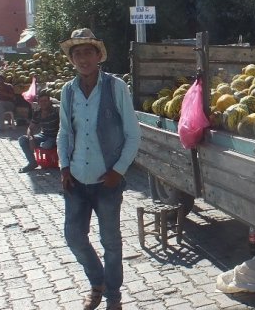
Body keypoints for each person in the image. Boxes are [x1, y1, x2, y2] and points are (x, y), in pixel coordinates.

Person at [57, 28, 141, 310]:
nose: (82, 58)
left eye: (87, 52)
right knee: (74, 236)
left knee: (111, 242)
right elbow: (64, 133)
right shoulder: (67, 91)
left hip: (107, 180)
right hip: (77, 178)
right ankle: (97, 281)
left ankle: (113, 296)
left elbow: (133, 133)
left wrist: (119, 170)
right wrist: (64, 166)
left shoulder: (116, 87)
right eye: (76, 53)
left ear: (98, 56)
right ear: (72, 59)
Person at [18, 89, 59, 172]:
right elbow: (30, 128)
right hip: (43, 135)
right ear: (38, 102)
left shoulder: (56, 111)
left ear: (49, 101)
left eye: (45, 101)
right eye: (41, 101)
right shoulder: (38, 113)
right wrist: (31, 138)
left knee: (45, 145)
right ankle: (32, 163)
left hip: (55, 137)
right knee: (22, 139)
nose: (43, 103)